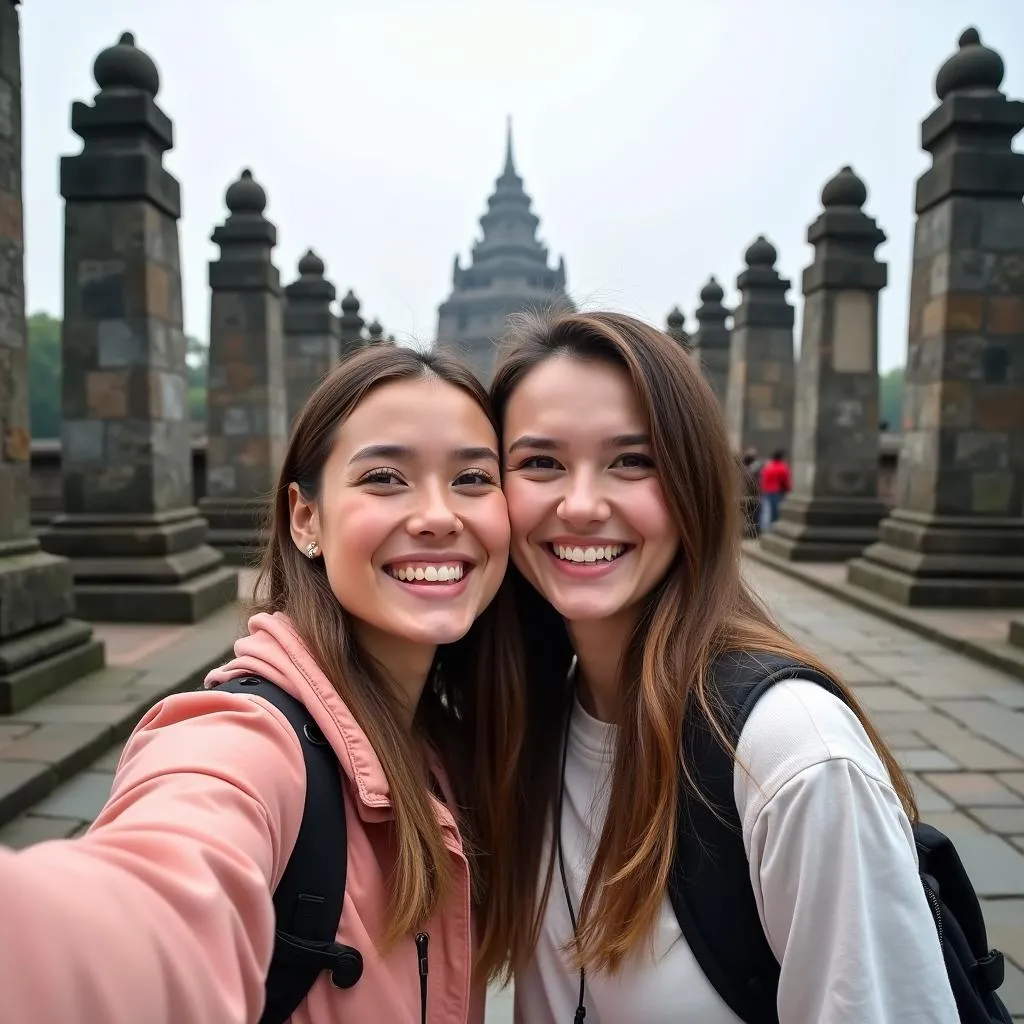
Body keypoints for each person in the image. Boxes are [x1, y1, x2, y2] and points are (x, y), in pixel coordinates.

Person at [0, 346, 518, 1024]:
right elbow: (155, 904)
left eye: (474, 479)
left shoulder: (451, 741)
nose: (438, 515)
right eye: (386, 477)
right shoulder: (244, 742)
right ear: (306, 519)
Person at [484, 310, 958, 1023]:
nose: (580, 505)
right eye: (540, 463)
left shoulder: (793, 758)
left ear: (692, 485)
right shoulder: (531, 716)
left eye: (632, 461)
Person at [758, 447, 791, 532]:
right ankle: (773, 529)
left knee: (766, 511)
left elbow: (762, 479)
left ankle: (764, 529)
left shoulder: (768, 466)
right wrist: (787, 490)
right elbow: (786, 481)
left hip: (766, 491)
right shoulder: (782, 467)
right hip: (777, 492)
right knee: (775, 513)